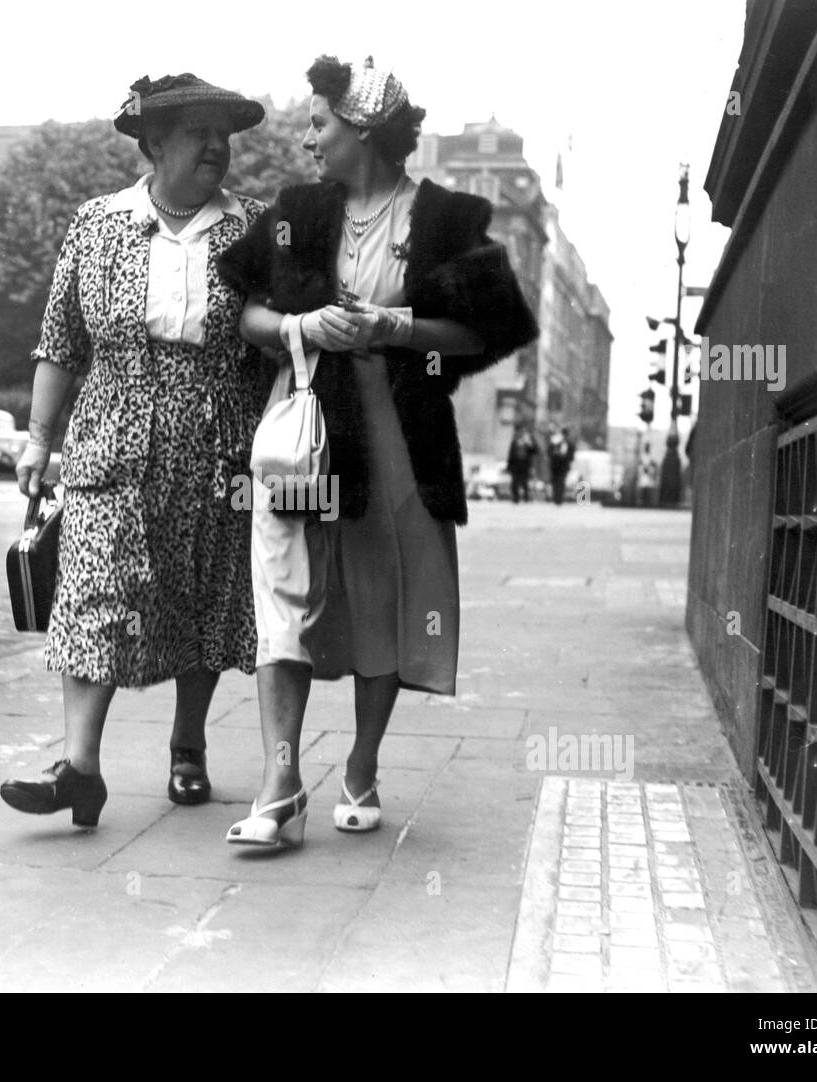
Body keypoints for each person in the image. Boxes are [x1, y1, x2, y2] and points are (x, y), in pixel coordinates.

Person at [217, 55, 537, 848]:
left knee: (385, 603)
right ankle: (280, 783)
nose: (307, 139)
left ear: (362, 130)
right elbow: (248, 310)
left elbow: (481, 330)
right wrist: (300, 327)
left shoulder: (447, 221)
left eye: (319, 123)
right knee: (283, 599)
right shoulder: (296, 211)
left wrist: (395, 329)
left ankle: (360, 767)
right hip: (304, 440)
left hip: (401, 445)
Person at [0, 74, 268, 827]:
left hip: (216, 436)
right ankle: (79, 768)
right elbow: (59, 343)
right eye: (198, 134)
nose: (217, 146)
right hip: (110, 431)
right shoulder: (96, 224)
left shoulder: (254, 229)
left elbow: (281, 339)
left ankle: (188, 746)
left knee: (203, 589)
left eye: (224, 135)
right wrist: (38, 440)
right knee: (93, 591)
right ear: (153, 144)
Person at [506, 426, 538, 503]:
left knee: (524, 482)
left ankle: (526, 497)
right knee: (515, 482)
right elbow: (511, 455)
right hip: (515, 465)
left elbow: (535, 451)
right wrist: (509, 466)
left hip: (525, 465)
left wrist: (530, 443)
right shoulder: (514, 442)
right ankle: (515, 498)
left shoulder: (528, 442)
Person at [548, 427, 575, 505]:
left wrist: (563, 456)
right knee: (555, 482)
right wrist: (556, 454)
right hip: (555, 466)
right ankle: (556, 498)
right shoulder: (555, 442)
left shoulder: (570, 444)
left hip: (563, 467)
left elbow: (571, 457)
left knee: (561, 482)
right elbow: (549, 452)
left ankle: (559, 499)